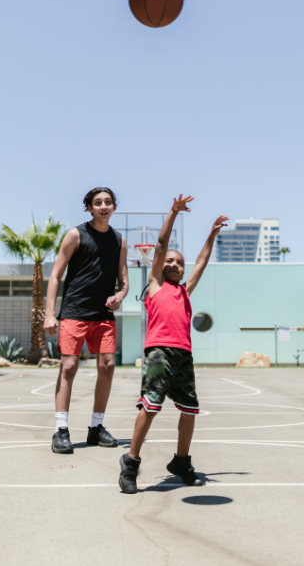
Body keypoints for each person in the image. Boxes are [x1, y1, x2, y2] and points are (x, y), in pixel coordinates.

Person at [119, 194, 228, 494]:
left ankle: (181, 461)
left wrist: (212, 235)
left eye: (179, 263)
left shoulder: (186, 291)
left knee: (190, 409)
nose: (175, 264)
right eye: (170, 261)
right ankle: (131, 462)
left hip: (184, 355)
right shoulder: (155, 284)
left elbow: (202, 262)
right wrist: (173, 212)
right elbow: (161, 245)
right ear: (160, 266)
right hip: (158, 352)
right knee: (151, 406)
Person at [44, 187, 129, 454]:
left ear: (114, 206)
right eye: (97, 203)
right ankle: (61, 429)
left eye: (108, 202)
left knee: (107, 365)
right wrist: (49, 314)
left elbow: (124, 281)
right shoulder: (75, 235)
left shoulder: (119, 240)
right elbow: (56, 275)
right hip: (74, 311)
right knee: (69, 366)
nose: (103, 206)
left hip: (103, 314)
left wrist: (120, 295)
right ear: (90, 208)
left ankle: (96, 427)